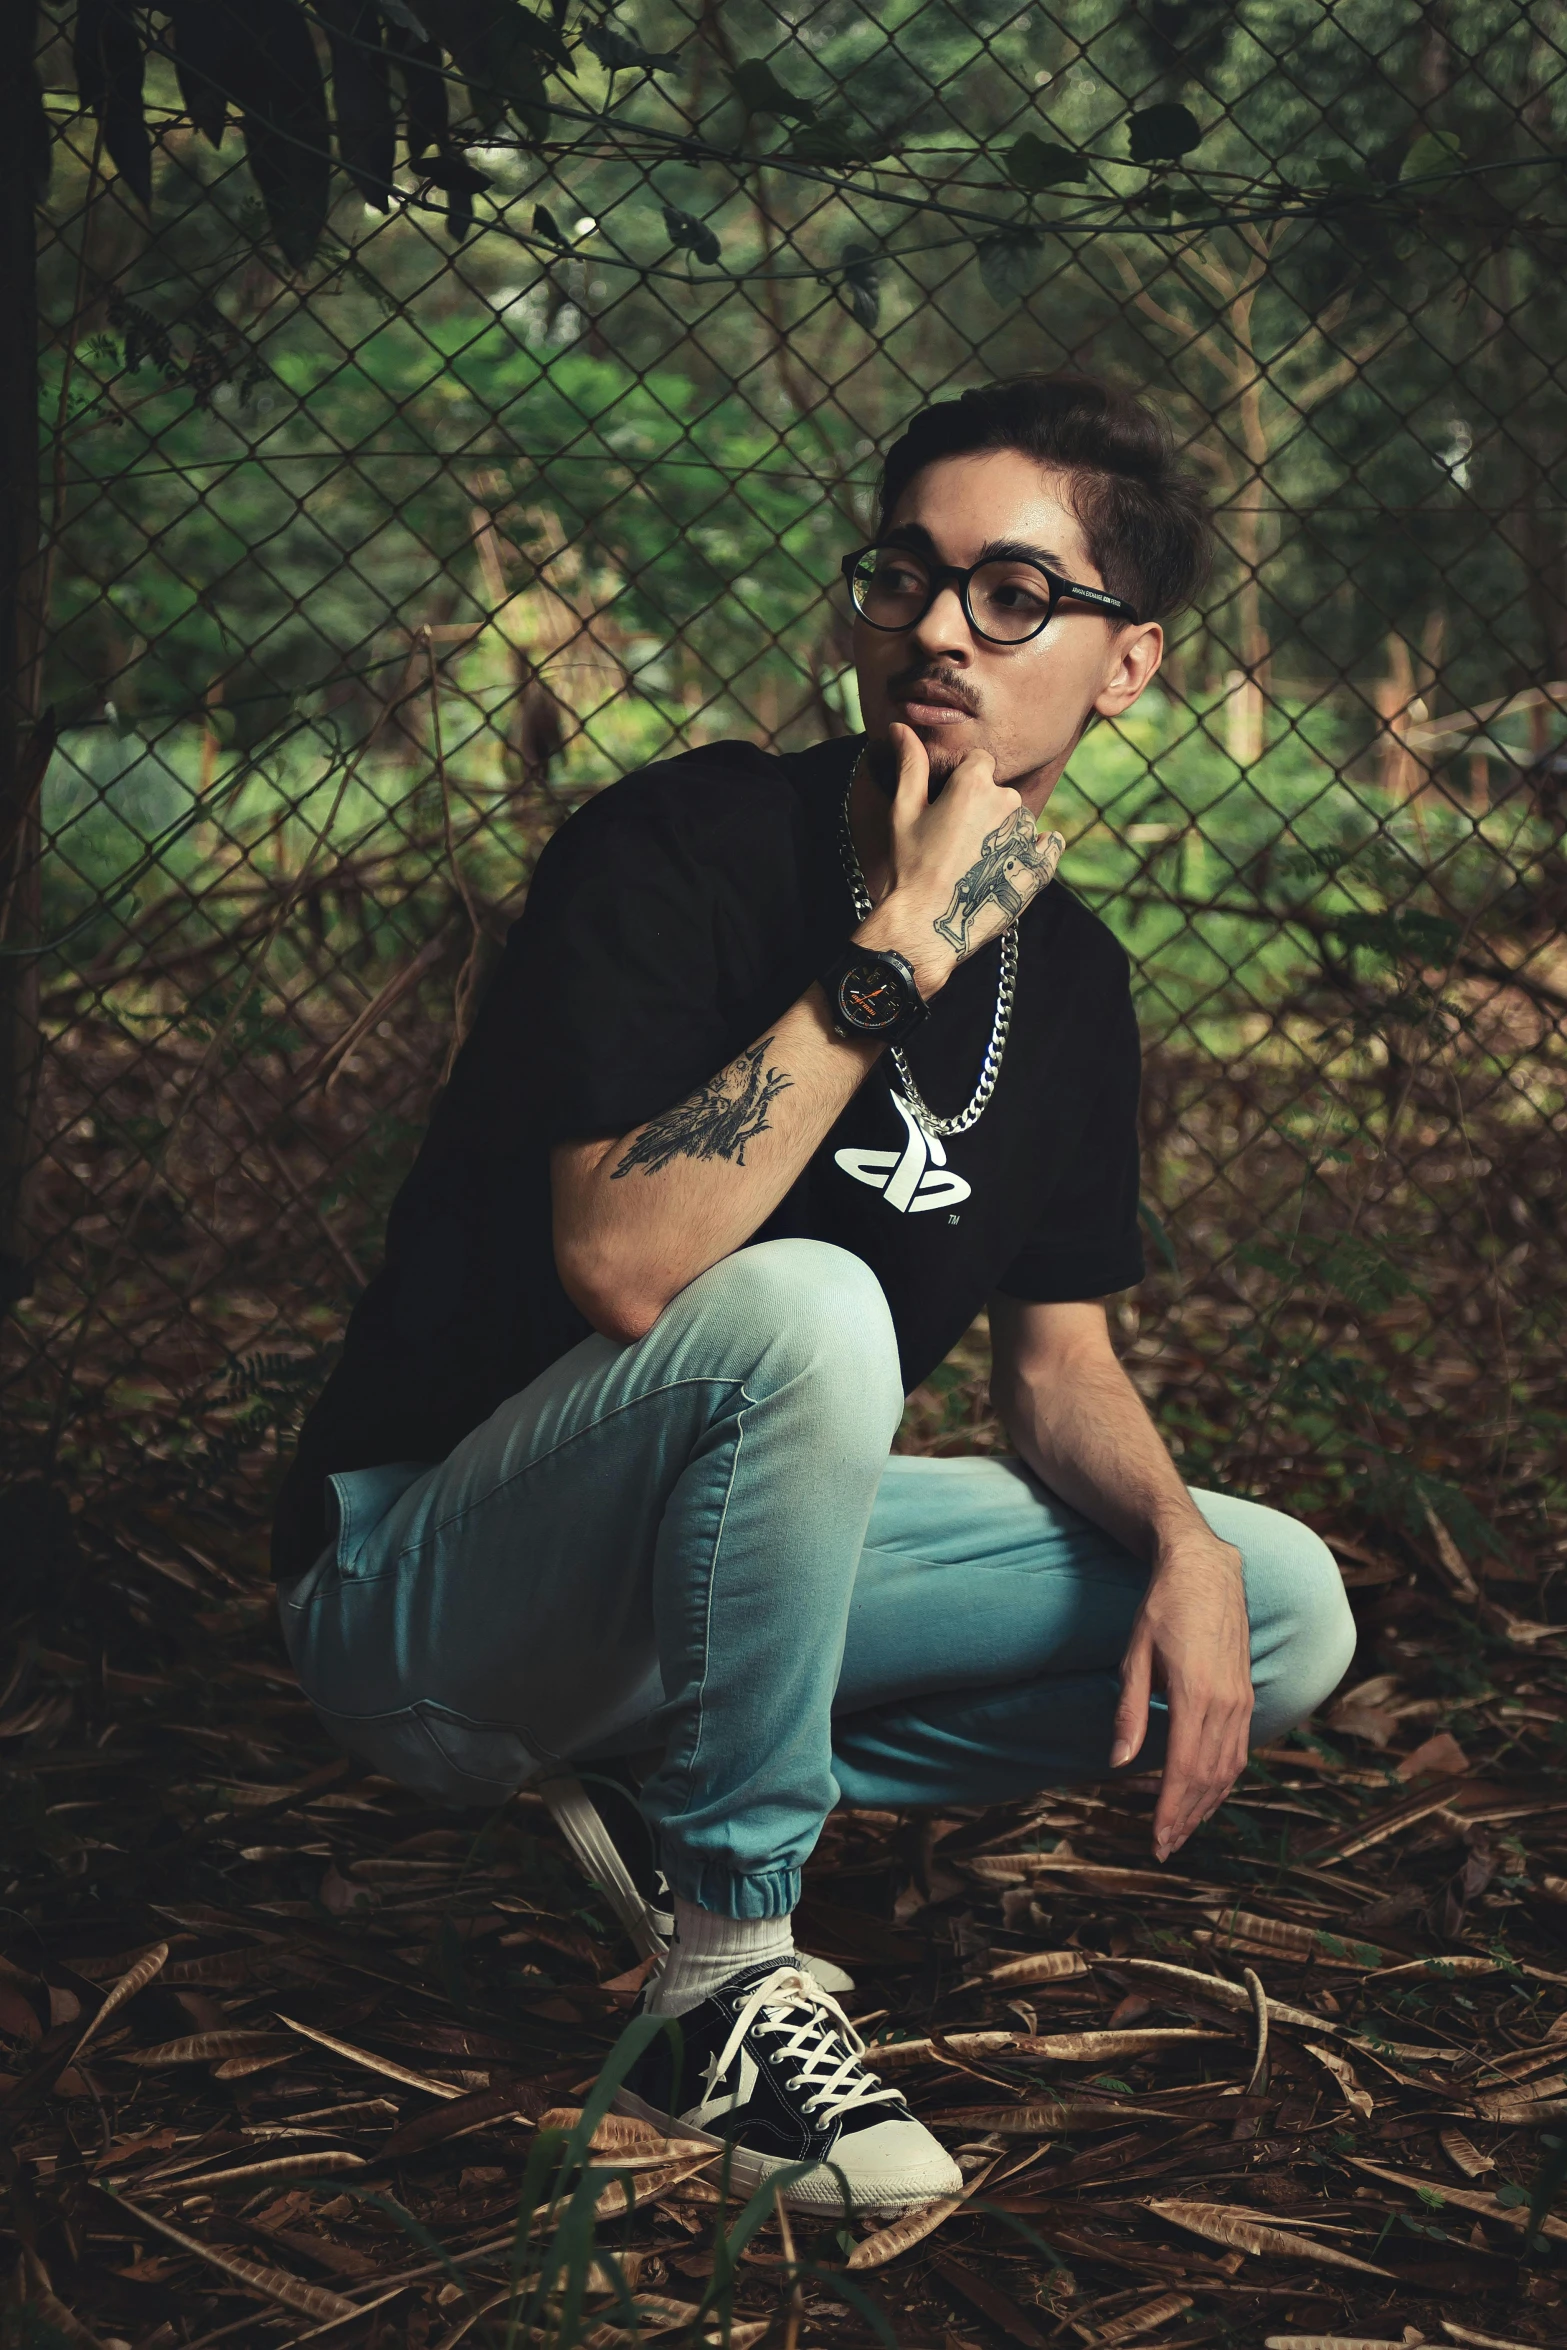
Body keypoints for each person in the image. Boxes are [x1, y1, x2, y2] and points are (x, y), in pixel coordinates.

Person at [272, 373, 1357, 2213]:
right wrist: (901, 947)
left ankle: (677, 1778)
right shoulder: (679, 849)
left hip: (648, 1630)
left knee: (1280, 1606)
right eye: (906, 575)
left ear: (1130, 661)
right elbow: (627, 1265)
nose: (937, 626)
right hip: (426, 1600)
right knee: (808, 1307)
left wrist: (1172, 1532)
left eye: (1013, 592)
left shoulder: (1075, 987)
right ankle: (722, 1974)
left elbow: (1059, 1363)